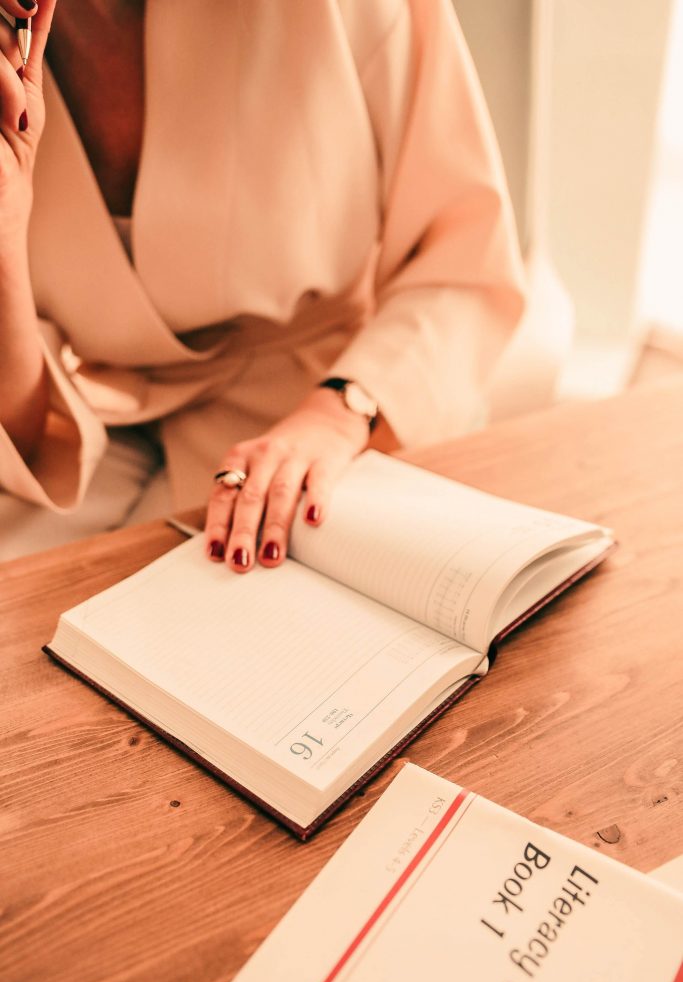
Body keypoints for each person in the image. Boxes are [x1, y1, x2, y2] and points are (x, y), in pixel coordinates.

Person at [0, 0, 525, 568]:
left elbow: (465, 261)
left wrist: (342, 410)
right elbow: (25, 429)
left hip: (316, 409)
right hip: (84, 433)